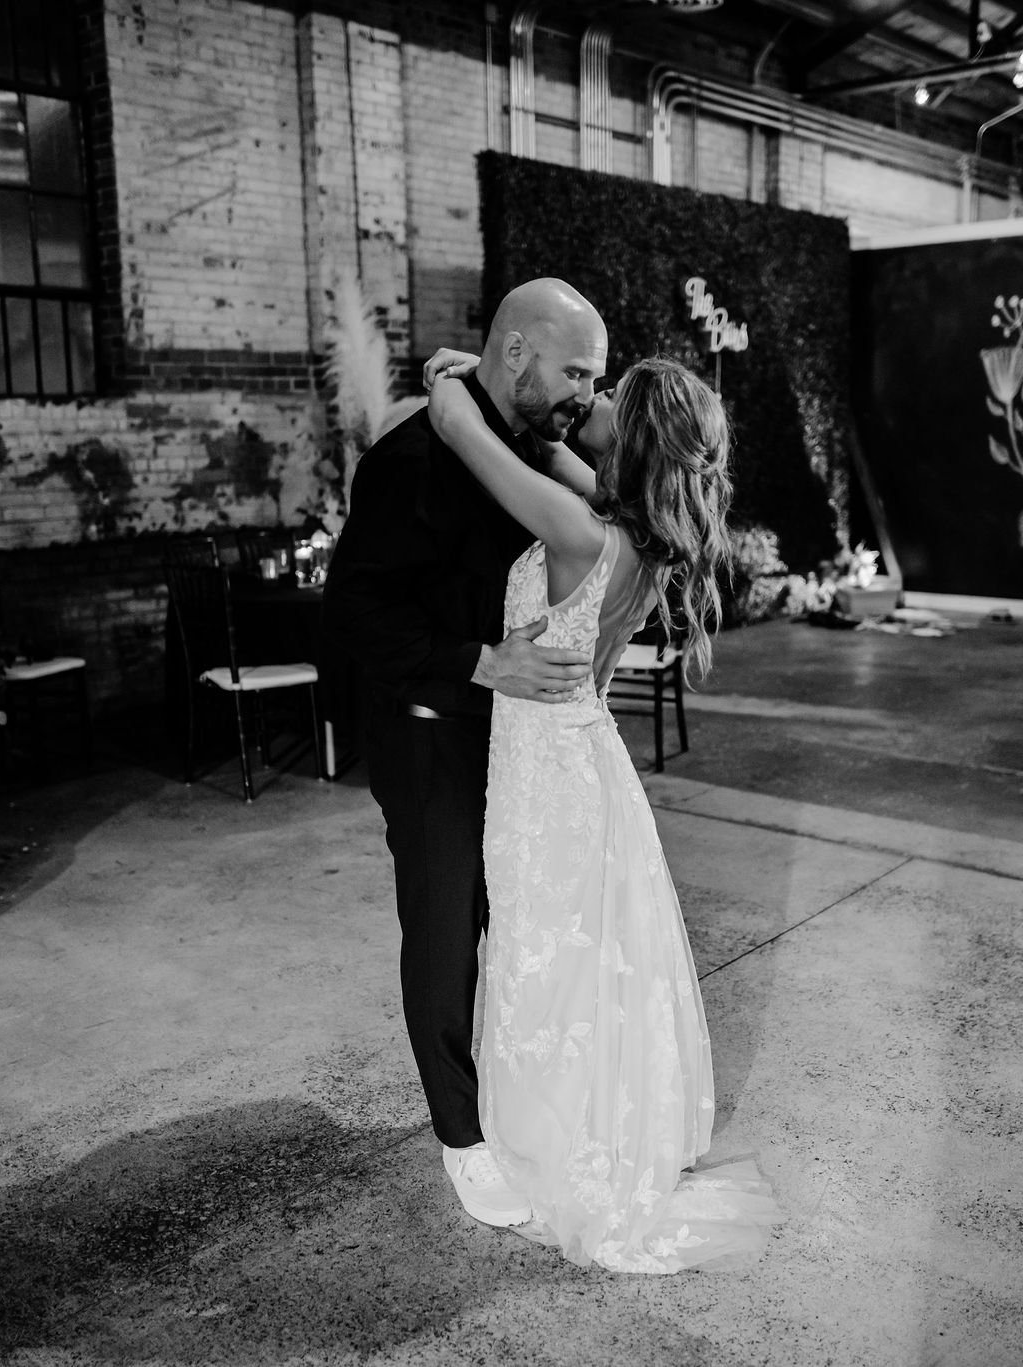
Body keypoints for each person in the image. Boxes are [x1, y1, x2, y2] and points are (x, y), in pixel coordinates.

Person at [419, 342, 784, 1273]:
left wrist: (457, 386)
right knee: (578, 960)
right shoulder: (634, 529)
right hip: (582, 764)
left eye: (614, 394)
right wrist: (514, 380)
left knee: (549, 958)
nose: (600, 398)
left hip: (548, 780)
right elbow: (546, 453)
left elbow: (469, 434)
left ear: (635, 433)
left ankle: (553, 1141)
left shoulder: (582, 534)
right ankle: (584, 1118)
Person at [321, 279, 606, 1231]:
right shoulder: (407, 459)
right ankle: (459, 1136)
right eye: (574, 371)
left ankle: (515, 1092)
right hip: (429, 729)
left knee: (512, 919)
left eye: (597, 379)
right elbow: (355, 612)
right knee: (445, 927)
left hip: (514, 734)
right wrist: (482, 662)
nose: (585, 393)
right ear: (516, 352)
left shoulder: (525, 448)